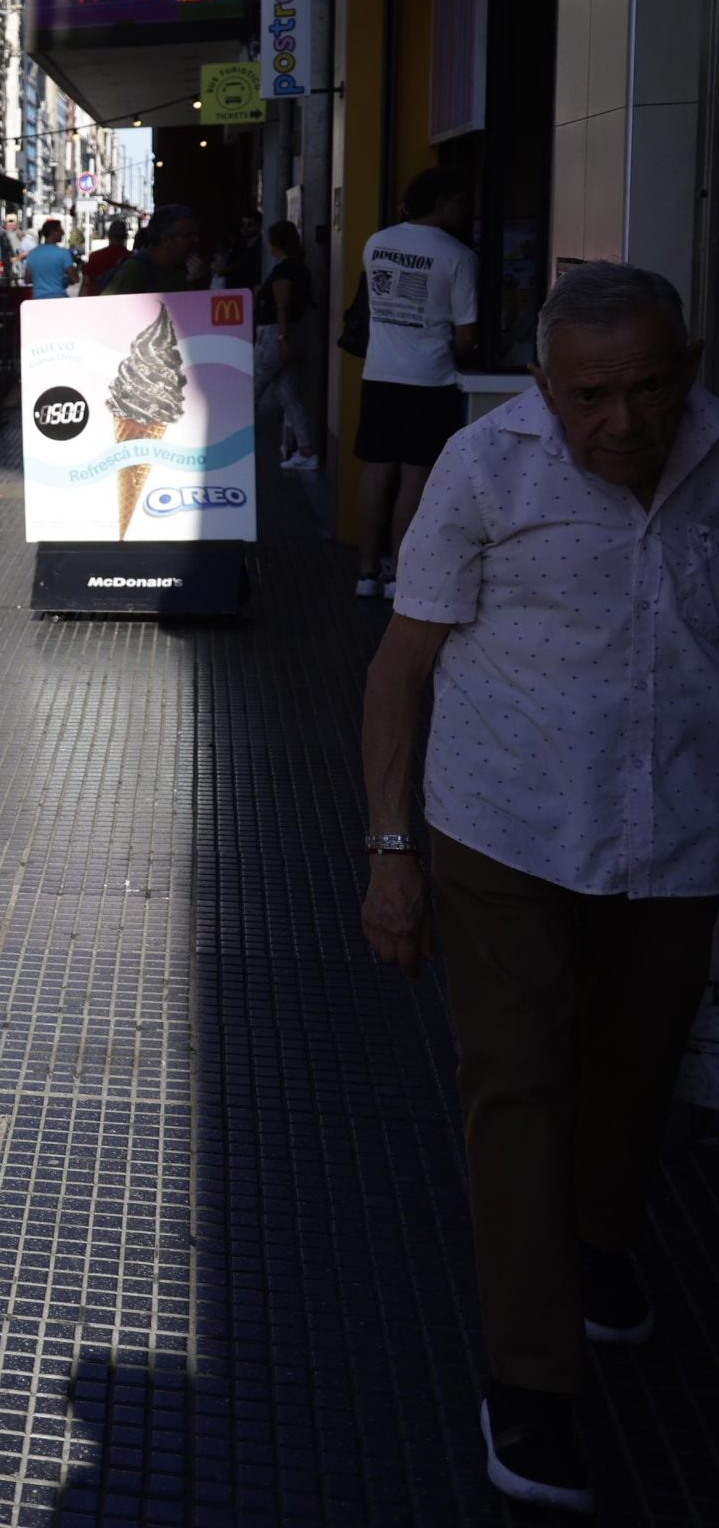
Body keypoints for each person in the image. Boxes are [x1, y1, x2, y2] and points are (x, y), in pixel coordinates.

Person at [359, 262, 717, 1516]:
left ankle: (603, 1240)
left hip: (676, 838)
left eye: (647, 388)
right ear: (545, 386)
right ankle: (530, 1377)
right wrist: (391, 854)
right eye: (590, 396)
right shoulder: (484, 467)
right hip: (499, 832)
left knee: (637, 1071)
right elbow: (398, 668)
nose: (621, 421)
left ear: (689, 362)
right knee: (515, 1087)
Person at [354, 166, 478, 597]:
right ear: (441, 202)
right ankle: (398, 576)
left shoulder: (377, 243)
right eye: (460, 201)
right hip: (430, 379)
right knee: (415, 477)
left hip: (379, 374)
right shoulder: (458, 255)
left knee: (375, 472)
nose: (464, 209)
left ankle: (366, 573)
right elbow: (466, 334)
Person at [253, 220, 322, 471]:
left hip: (275, 336)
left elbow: (282, 306)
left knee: (251, 388)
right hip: (295, 335)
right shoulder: (299, 267)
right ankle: (306, 450)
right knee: (287, 394)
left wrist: (281, 340)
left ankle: (232, 447)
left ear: (274, 243)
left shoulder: (284, 271)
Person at [95, 204, 203, 295]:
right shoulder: (134, 271)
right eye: (188, 236)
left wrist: (195, 284)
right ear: (165, 240)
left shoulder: (183, 271)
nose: (196, 240)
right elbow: (105, 313)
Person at [23, 218, 78, 301]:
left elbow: (27, 280)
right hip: (59, 299)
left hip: (38, 300)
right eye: (60, 230)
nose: (63, 233)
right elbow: (75, 279)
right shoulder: (63, 253)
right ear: (53, 233)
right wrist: (65, 280)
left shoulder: (32, 254)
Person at [219, 210, 265, 294]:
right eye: (243, 224)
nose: (245, 228)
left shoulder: (262, 247)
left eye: (250, 225)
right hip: (233, 291)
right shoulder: (238, 244)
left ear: (260, 226)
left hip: (249, 291)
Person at [79, 221, 130, 296]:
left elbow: (86, 284)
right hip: (124, 302)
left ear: (109, 236)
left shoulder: (95, 256)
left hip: (97, 301)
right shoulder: (131, 257)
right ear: (125, 237)